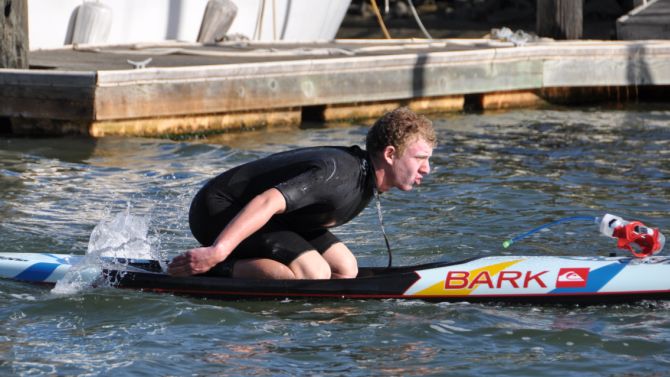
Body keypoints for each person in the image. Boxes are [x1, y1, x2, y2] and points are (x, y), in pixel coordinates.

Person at [167, 107, 437, 279]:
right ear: (390, 154)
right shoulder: (339, 175)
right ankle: (212, 268)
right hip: (219, 209)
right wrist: (218, 250)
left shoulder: (365, 177)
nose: (427, 168)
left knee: (345, 268)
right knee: (314, 272)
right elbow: (267, 200)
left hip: (278, 220)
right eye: (421, 158)